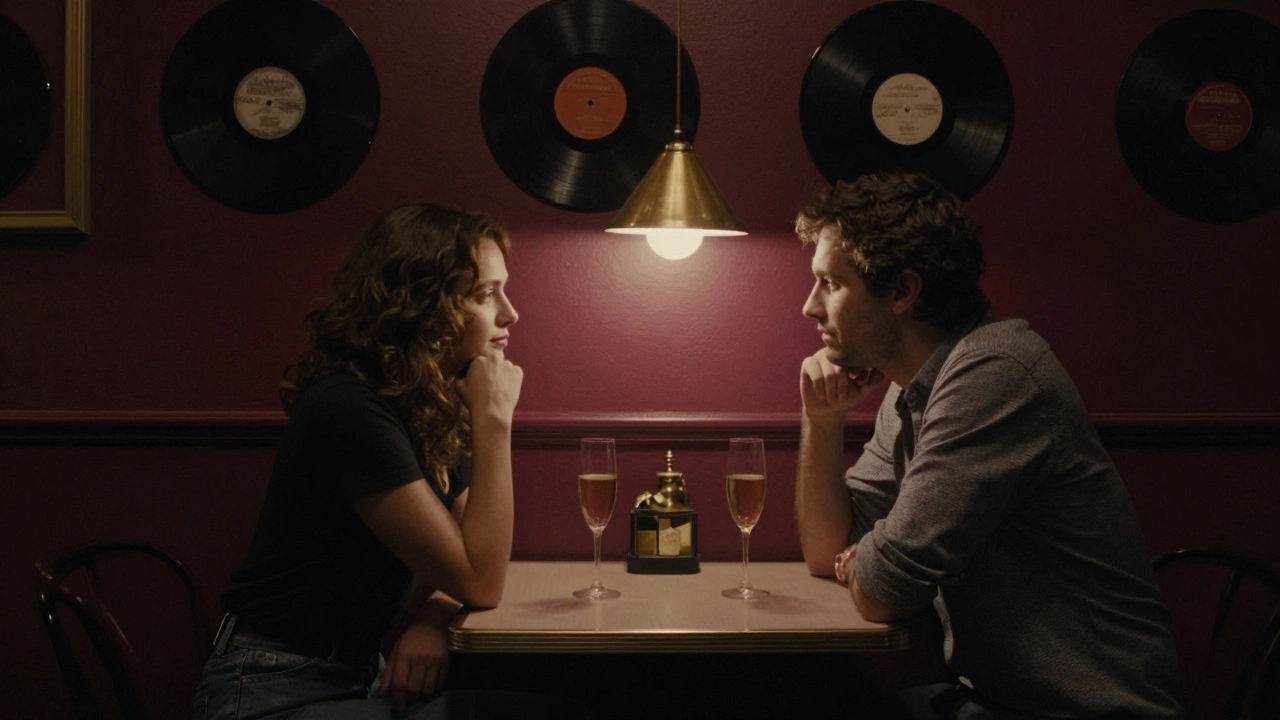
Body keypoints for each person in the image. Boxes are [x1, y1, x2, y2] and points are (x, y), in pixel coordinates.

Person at [792, 172, 1184, 719]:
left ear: (902, 292)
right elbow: (824, 549)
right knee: (801, 690)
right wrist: (823, 418)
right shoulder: (915, 384)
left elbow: (883, 590)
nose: (810, 307)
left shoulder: (993, 372)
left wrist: (874, 555)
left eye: (830, 284)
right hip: (993, 700)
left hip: (1082, 710)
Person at [191, 202, 528, 719]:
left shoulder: (426, 404)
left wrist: (433, 617)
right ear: (422, 304)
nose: (510, 313)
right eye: (485, 294)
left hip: (356, 677)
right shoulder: (348, 407)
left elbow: (477, 556)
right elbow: (482, 580)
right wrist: (495, 422)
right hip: (269, 690)